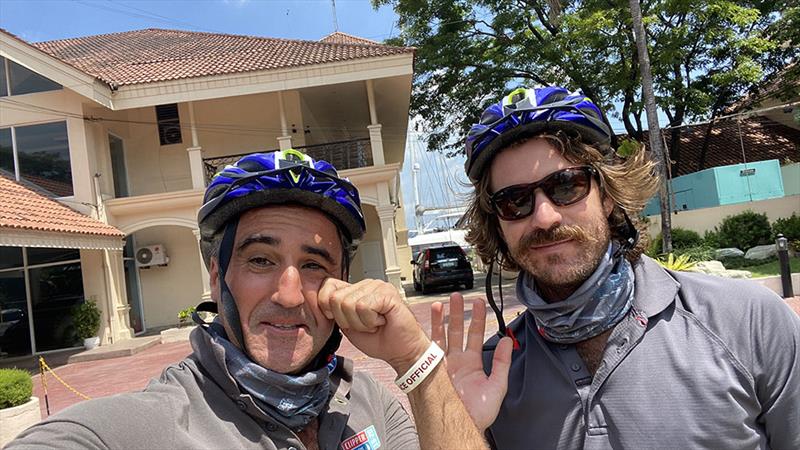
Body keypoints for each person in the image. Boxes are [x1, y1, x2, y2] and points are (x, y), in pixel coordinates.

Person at [9, 149, 486, 450]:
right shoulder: (152, 424)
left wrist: (416, 361)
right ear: (218, 277)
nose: (289, 293)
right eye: (260, 260)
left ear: (342, 282)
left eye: (315, 265)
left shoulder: (365, 399)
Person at [431, 86, 800, 449]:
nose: (544, 217)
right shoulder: (491, 372)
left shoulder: (747, 320)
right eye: (514, 201)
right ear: (497, 224)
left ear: (607, 196)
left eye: (565, 185)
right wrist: (457, 425)